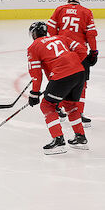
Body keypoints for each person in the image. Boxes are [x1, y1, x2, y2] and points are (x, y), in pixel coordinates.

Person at [26, 22, 88, 155]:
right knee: (70, 105)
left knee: (47, 105)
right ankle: (80, 137)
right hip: (79, 72)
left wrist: (34, 93)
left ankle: (58, 140)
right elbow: (82, 50)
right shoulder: (61, 37)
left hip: (62, 75)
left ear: (33, 34)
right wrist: (72, 64)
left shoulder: (33, 46)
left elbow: (36, 73)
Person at [47, 0, 98, 126]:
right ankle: (78, 113)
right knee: (81, 83)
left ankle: (57, 108)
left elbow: (50, 29)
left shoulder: (60, 10)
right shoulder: (86, 12)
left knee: (60, 79)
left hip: (63, 52)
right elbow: (91, 34)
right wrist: (94, 52)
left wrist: (56, 44)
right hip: (80, 54)